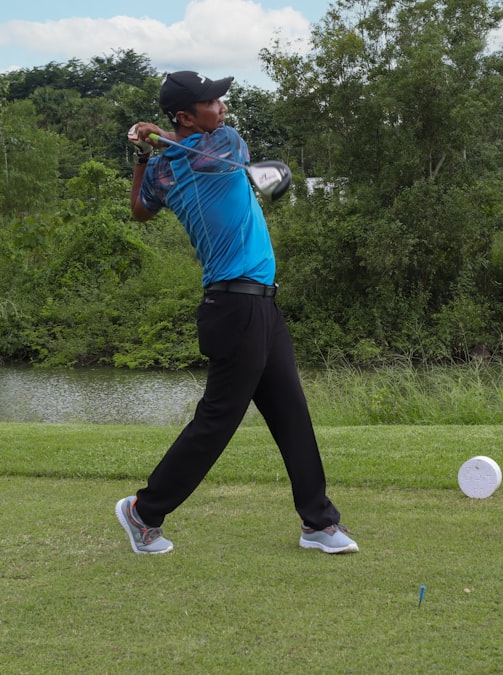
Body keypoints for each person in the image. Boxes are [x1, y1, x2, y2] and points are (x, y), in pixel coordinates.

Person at [115, 70, 357, 555]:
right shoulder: (219, 142)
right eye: (212, 101)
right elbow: (140, 212)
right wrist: (154, 143)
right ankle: (144, 512)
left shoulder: (166, 166)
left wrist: (147, 148)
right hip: (233, 304)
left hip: (260, 303)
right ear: (186, 116)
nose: (223, 107)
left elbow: (144, 207)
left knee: (291, 414)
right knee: (218, 420)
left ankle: (318, 523)